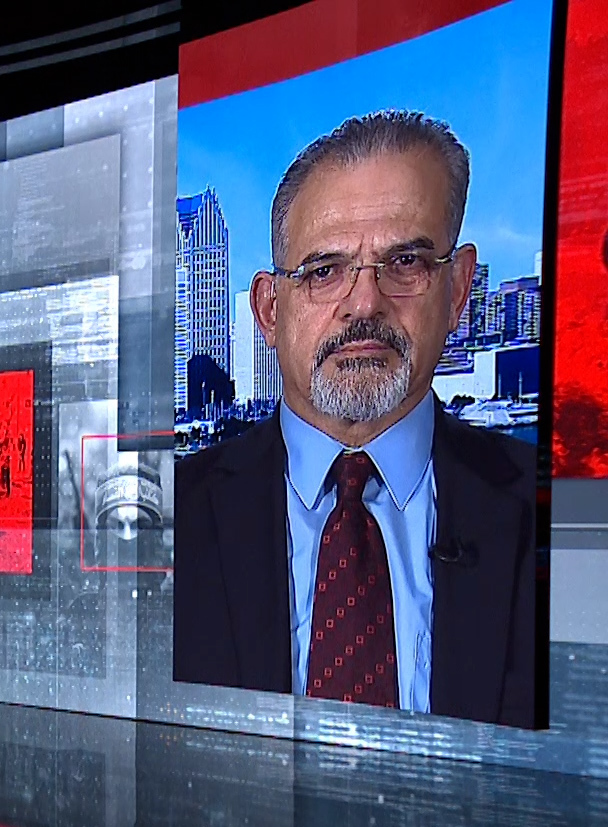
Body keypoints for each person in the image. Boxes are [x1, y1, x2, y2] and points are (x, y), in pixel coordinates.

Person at [173, 111, 536, 728]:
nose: (364, 303)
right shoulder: (166, 519)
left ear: (456, 290)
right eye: (324, 271)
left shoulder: (548, 506)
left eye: (406, 262)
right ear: (269, 310)